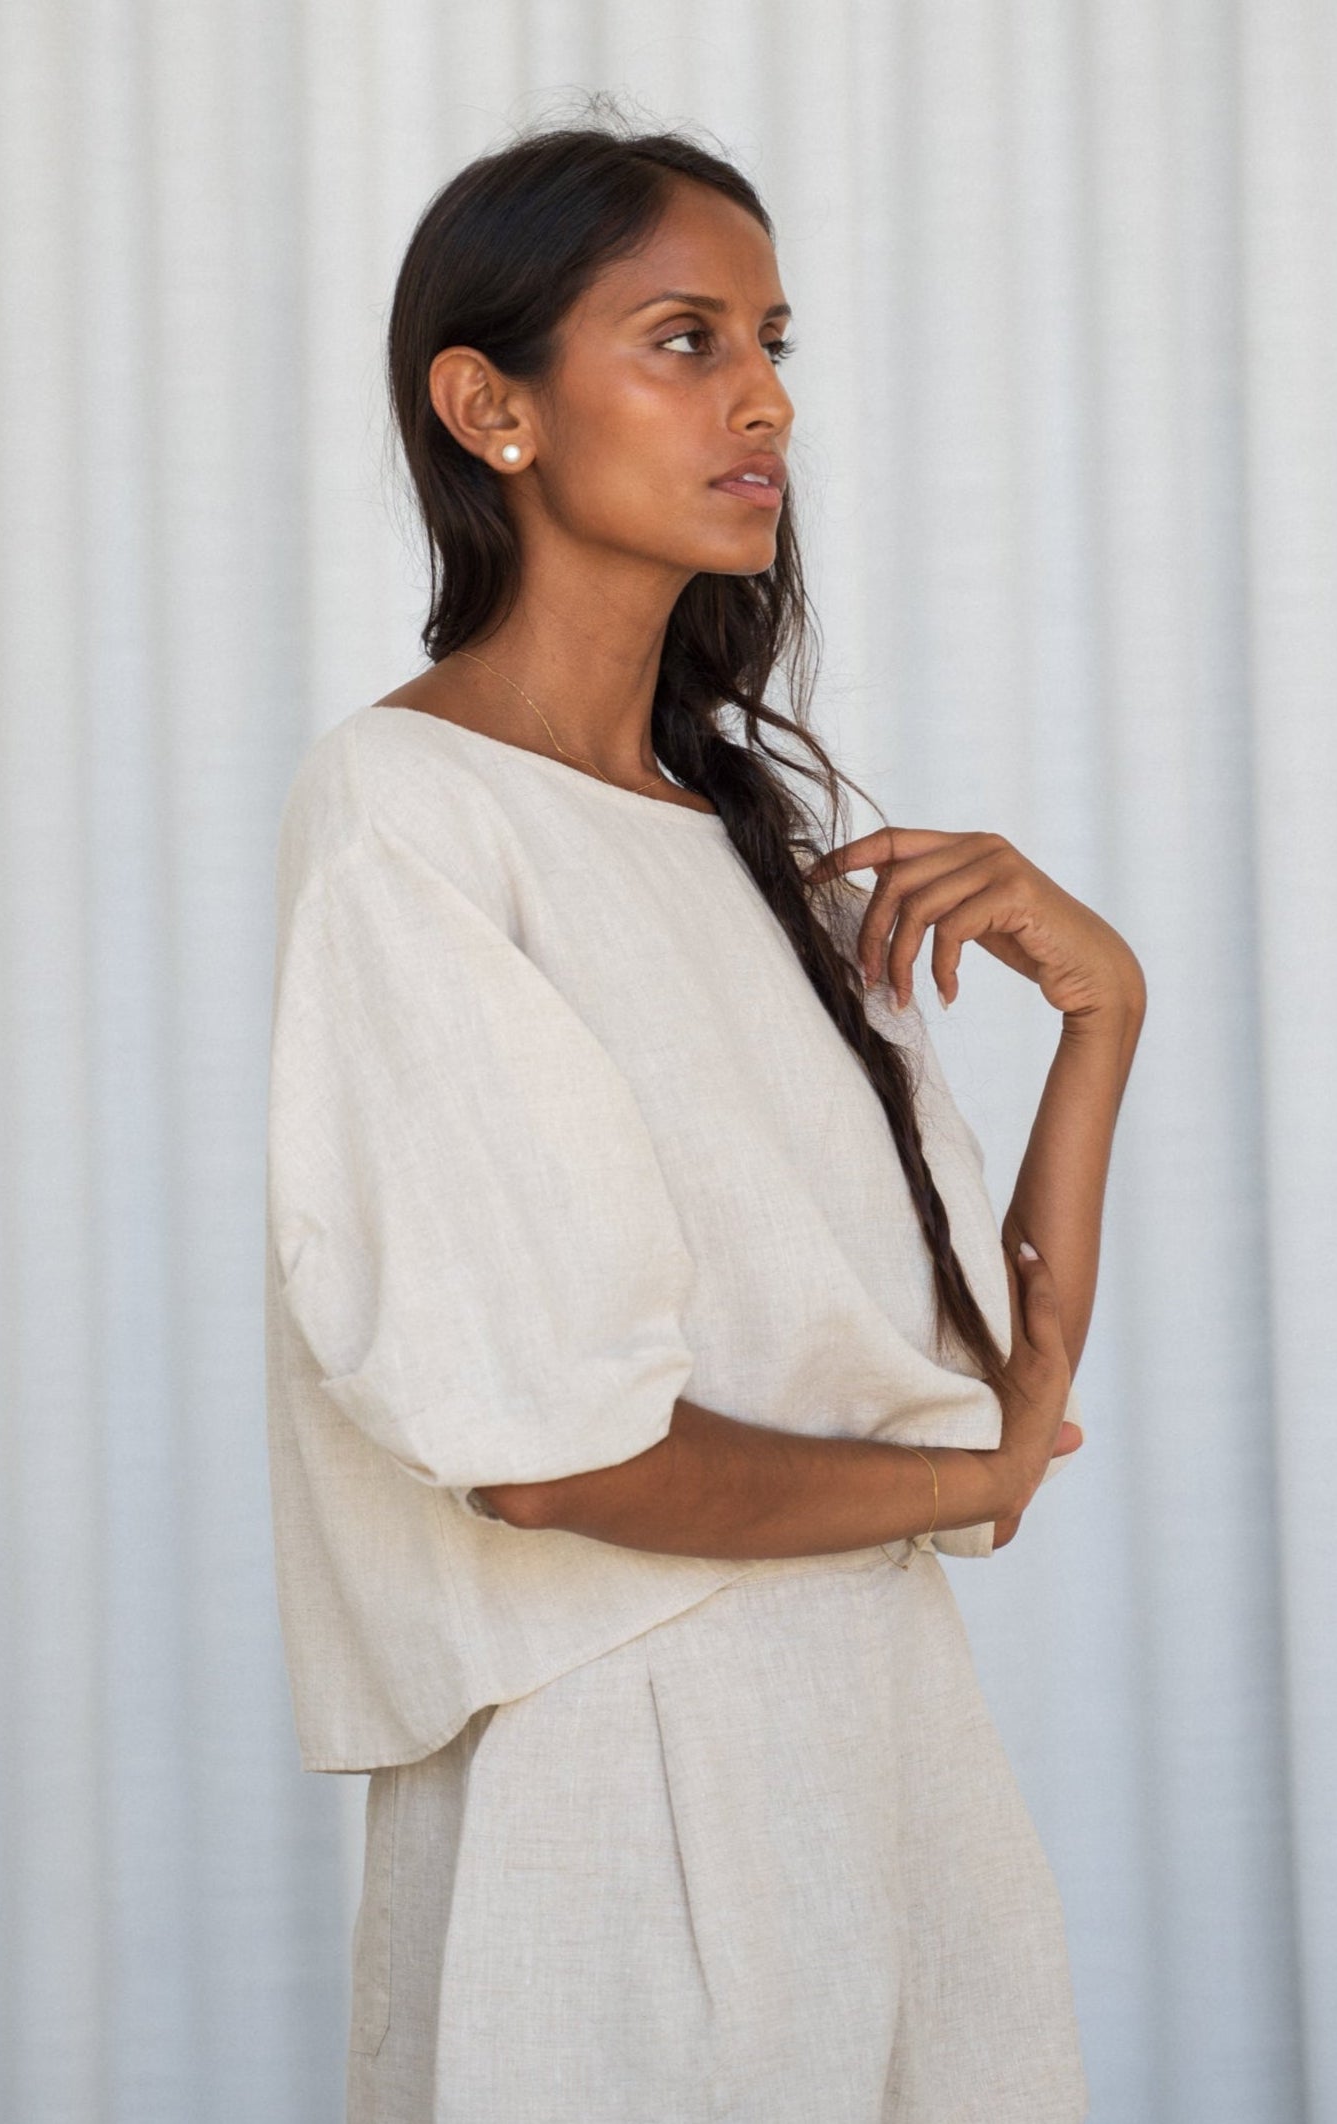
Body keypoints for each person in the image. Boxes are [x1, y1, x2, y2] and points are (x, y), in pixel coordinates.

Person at [264, 115, 1145, 2124]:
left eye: (770, 341)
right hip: (620, 1764)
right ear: (489, 408)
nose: (761, 398)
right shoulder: (413, 814)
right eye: (682, 339)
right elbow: (556, 1460)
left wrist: (1103, 1015)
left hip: (888, 1738)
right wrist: (969, 1473)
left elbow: (1000, 1407)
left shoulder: (753, 843)